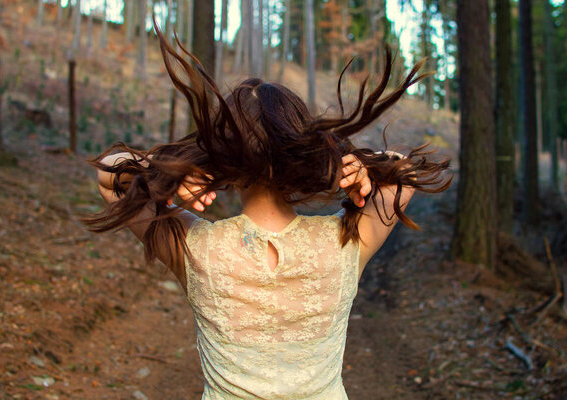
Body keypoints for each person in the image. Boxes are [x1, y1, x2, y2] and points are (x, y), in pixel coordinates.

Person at [83, 21, 451, 400]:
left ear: (226, 156)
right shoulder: (345, 244)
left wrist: (170, 169)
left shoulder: (196, 250)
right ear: (303, 151)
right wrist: (357, 163)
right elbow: (403, 173)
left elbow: (108, 173)